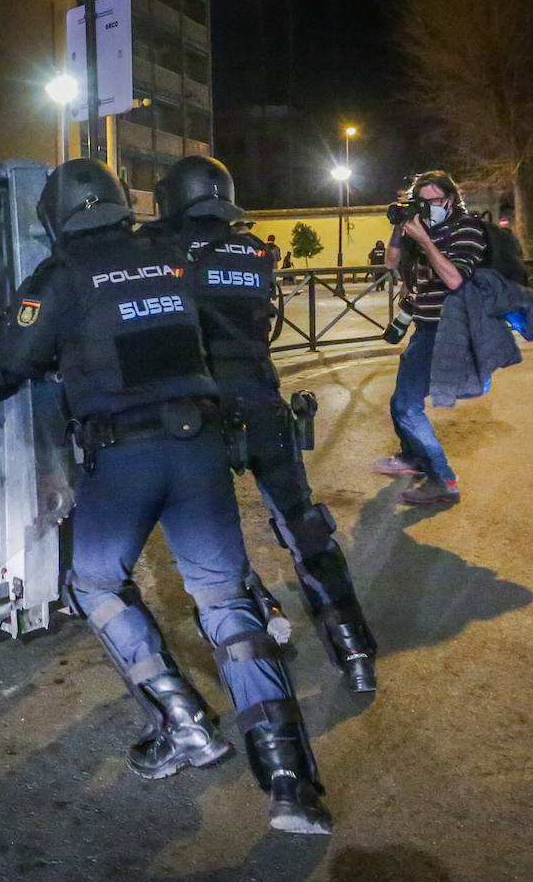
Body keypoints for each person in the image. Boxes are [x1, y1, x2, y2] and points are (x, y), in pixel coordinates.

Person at [0, 158, 333, 834]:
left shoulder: (62, 276)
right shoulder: (172, 256)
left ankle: (185, 724)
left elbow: (5, 370)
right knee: (227, 604)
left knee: (96, 584)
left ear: (58, 218)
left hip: (125, 458)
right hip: (200, 448)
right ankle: (290, 782)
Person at [150, 155, 379, 695]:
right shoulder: (255, 252)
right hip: (263, 404)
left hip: (201, 414)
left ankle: (258, 618)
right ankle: (354, 650)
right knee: (303, 524)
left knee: (213, 540)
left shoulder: (166, 250)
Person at [374, 170, 487, 506]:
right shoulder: (424, 225)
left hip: (450, 331)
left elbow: (454, 279)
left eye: (432, 201)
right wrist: (401, 227)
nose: (426, 208)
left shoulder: (467, 228)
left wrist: (425, 240)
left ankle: (443, 480)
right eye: (419, 202)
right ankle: (413, 458)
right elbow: (391, 262)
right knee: (401, 402)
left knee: (407, 406)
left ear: (449, 199)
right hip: (425, 327)